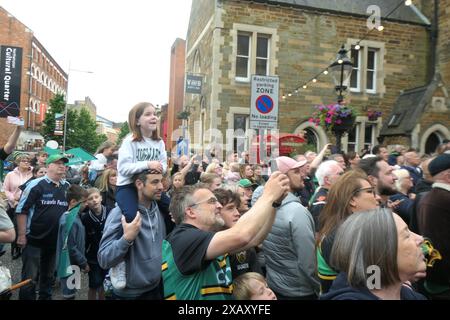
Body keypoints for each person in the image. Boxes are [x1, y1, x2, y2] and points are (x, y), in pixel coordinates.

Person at [161, 172, 289, 300]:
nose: (219, 206)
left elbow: (255, 239)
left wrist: (274, 203)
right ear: (190, 211)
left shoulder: (206, 238)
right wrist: (268, 195)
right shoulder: (183, 238)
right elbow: (242, 235)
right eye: (212, 202)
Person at [113, 102, 167, 290]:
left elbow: (164, 164)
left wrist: (158, 168)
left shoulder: (159, 142)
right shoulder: (129, 141)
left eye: (155, 114)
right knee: (130, 216)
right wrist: (148, 164)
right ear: (137, 121)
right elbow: (123, 168)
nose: (154, 117)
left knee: (170, 210)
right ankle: (119, 262)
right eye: (148, 114)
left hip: (150, 186)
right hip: (127, 187)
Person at [320, 208, 426, 300]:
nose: (420, 239)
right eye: (407, 235)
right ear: (380, 251)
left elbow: (375, 286)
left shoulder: (403, 293)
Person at [98, 169, 166, 300]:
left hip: (156, 289)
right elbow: (103, 259)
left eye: (161, 181)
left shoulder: (158, 210)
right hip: (129, 295)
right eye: (155, 182)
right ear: (139, 184)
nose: (161, 187)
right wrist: (127, 238)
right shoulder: (120, 214)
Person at [263, 156, 319, 299]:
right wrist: (318, 288)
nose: (303, 174)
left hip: (277, 287)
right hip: (300, 292)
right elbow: (308, 263)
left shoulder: (263, 207)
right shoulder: (297, 212)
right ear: (282, 178)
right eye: (295, 172)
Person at [16, 154, 70, 300]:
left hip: (54, 241)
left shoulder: (67, 187)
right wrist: (21, 235)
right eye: (57, 163)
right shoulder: (36, 184)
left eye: (63, 163)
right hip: (33, 240)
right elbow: (22, 210)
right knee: (30, 278)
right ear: (47, 166)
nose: (61, 166)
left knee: (48, 276)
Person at [316, 170, 379, 294]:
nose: (376, 197)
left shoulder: (356, 228)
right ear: (352, 200)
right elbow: (372, 284)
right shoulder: (337, 236)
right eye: (370, 191)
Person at [416, 153, 450, 299]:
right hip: (444, 285)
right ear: (448, 176)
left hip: (433, 279)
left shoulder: (426, 198)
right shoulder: (444, 200)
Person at [213, 188, 262, 279]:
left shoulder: (243, 238)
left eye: (237, 208)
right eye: (230, 208)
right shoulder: (208, 244)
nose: (237, 213)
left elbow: (257, 275)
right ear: (216, 212)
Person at [56, 185, 89, 300]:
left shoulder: (74, 216)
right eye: (84, 202)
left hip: (73, 264)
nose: (87, 204)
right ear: (73, 201)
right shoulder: (69, 220)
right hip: (69, 265)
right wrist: (84, 263)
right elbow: (71, 247)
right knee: (68, 295)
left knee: (72, 292)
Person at [81, 188, 110, 300]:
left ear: (101, 198)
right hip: (94, 256)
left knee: (106, 284)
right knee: (94, 284)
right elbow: (83, 241)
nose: (94, 200)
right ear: (86, 202)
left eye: (96, 197)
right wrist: (84, 261)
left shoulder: (111, 211)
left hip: (109, 254)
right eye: (90, 199)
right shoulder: (85, 218)